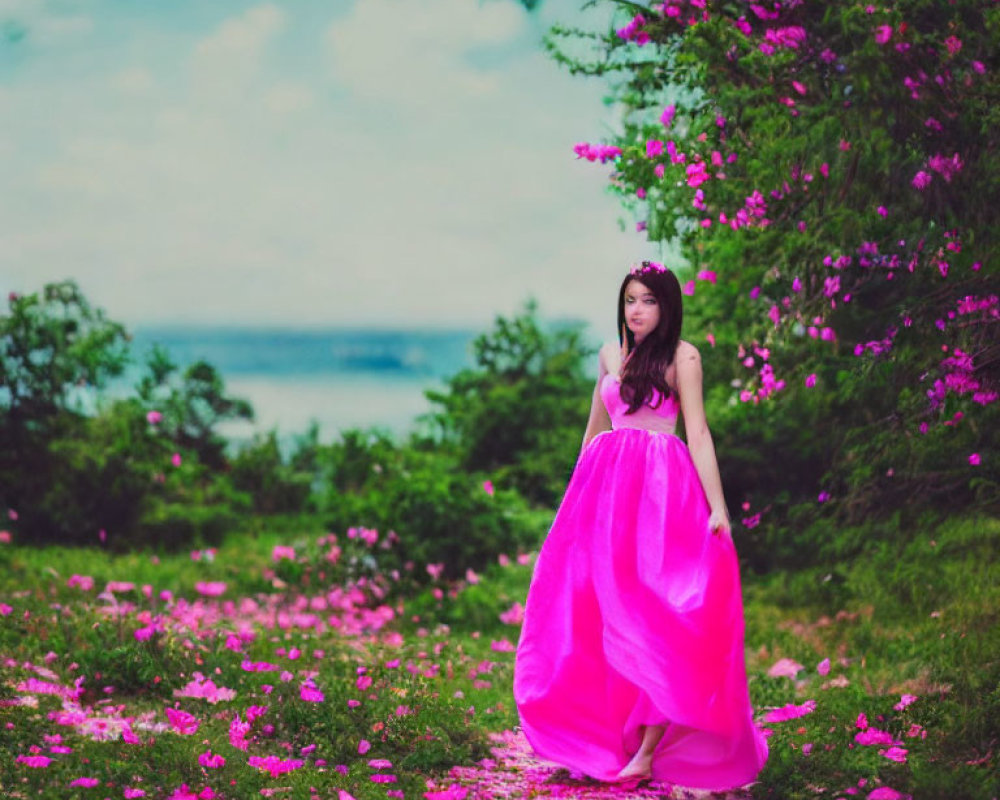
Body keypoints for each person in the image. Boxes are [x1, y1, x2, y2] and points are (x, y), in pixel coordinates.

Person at [513, 261, 769, 791]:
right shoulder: (610, 355)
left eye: (649, 300)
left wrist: (718, 506)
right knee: (593, 614)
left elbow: (697, 433)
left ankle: (649, 749)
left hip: (660, 499)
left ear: (667, 305)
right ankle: (598, 736)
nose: (637, 310)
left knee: (653, 616)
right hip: (604, 500)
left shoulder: (683, 357)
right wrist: (573, 509)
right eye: (630, 299)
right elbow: (594, 432)